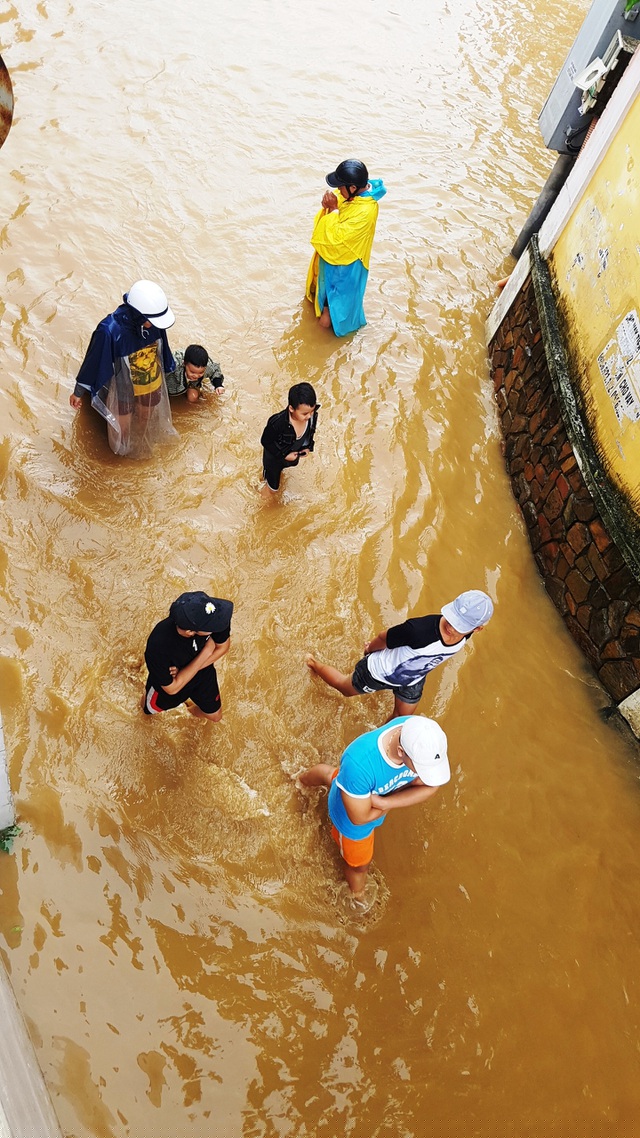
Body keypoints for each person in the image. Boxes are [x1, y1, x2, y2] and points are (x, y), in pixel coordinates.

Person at [299, 715, 450, 904]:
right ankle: (357, 895)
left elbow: (432, 786)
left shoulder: (420, 733)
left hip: (363, 790)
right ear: (401, 752)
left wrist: (387, 803)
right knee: (359, 867)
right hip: (353, 822)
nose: (425, 773)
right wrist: (384, 804)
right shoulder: (360, 765)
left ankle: (302, 780)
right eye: (420, 768)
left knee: (335, 776)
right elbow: (360, 818)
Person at [307, 589, 494, 720]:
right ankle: (314, 663)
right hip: (378, 671)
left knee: (401, 718)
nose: (451, 626)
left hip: (414, 678)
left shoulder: (467, 634)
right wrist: (369, 649)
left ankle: (376, 745)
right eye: (452, 618)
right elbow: (384, 637)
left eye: (459, 625)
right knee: (345, 689)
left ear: (477, 629)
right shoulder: (418, 630)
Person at [69, 279, 177, 457]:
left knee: (144, 420)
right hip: (123, 387)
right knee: (121, 428)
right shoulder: (109, 330)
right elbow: (93, 362)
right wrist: (78, 392)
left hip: (150, 382)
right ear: (138, 313)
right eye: (151, 321)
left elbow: (163, 350)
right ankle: (122, 458)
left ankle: (140, 447)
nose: (154, 325)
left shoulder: (153, 323)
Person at [305, 159, 387, 337]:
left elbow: (338, 239)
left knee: (330, 310)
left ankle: (317, 341)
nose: (338, 191)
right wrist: (331, 207)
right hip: (337, 259)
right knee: (330, 300)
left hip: (346, 266)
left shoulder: (366, 211)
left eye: (341, 186)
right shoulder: (354, 196)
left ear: (352, 188)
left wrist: (333, 209)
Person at [143, 591, 233, 722]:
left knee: (215, 716)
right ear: (190, 632)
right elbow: (171, 688)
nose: (218, 625)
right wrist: (207, 651)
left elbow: (223, 647)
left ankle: (187, 711)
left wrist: (186, 672)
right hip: (168, 688)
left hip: (201, 673)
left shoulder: (215, 615)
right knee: (146, 711)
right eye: (210, 627)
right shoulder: (159, 645)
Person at [260, 382, 320, 494]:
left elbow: (310, 433)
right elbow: (265, 441)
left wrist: (307, 447)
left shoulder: (311, 417)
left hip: (291, 456)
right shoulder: (277, 423)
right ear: (291, 408)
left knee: (281, 476)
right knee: (272, 488)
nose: (309, 416)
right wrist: (284, 455)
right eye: (305, 413)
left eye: (312, 411)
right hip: (274, 459)